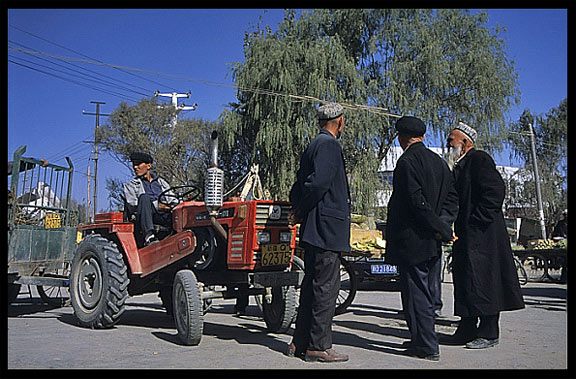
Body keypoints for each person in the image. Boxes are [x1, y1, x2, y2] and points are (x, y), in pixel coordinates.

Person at [442, 122, 525, 349]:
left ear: (465, 143)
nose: (448, 145)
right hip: (466, 236)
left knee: (485, 282)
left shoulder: (479, 159)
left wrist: (476, 223)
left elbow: (494, 192)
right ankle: (467, 328)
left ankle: (489, 332)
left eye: (451, 140)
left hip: (484, 236)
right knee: (466, 280)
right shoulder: (459, 165)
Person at [385, 116, 459, 362]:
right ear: (423, 136)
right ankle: (420, 339)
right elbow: (451, 200)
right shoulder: (439, 163)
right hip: (432, 239)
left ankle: (427, 345)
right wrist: (442, 227)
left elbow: (416, 203)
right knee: (427, 290)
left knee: (415, 293)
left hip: (412, 238)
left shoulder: (407, 162)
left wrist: (439, 227)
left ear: (402, 137)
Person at [286, 102, 351, 363]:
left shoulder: (314, 144)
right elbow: (317, 184)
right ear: (340, 121)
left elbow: (299, 184)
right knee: (326, 287)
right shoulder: (329, 145)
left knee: (313, 285)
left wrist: (298, 208)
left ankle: (300, 342)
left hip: (316, 227)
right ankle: (319, 346)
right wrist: (300, 209)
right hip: (326, 227)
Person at [123, 152, 178, 246]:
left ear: (148, 166)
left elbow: (172, 199)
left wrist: (173, 205)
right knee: (144, 198)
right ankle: (149, 236)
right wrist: (157, 205)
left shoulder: (161, 182)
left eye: (138, 164)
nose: (135, 167)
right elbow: (132, 205)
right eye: (134, 164)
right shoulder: (131, 185)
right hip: (146, 216)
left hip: (165, 215)